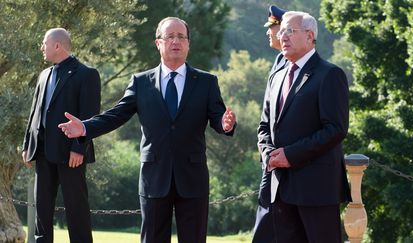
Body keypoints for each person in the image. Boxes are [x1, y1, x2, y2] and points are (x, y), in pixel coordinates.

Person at [58, 17, 236, 243]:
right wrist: (84, 127)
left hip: (193, 179)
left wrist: (225, 124)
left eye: (181, 37)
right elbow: (116, 115)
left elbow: (219, 118)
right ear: (158, 43)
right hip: (154, 177)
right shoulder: (141, 82)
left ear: (188, 44)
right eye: (170, 36)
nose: (176, 41)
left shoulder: (206, 82)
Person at [257, 11, 351, 243]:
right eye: (282, 31)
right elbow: (264, 127)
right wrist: (268, 153)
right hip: (278, 186)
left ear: (309, 36)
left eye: (290, 30)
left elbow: (335, 129)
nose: (283, 35)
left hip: (316, 190)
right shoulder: (277, 75)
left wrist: (290, 155)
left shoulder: (329, 75)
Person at [22, 28, 101, 243]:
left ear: (57, 45)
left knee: (76, 208)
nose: (42, 47)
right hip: (42, 152)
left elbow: (89, 117)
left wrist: (79, 147)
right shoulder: (44, 74)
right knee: (42, 207)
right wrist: (27, 145)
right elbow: (35, 112)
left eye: (44, 43)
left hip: (71, 154)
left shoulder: (87, 74)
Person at [252, 5, 286, 243]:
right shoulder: (278, 62)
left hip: (291, 161)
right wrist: (265, 151)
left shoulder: (295, 65)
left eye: (271, 27)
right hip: (271, 161)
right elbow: (266, 118)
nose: (268, 33)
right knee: (265, 223)